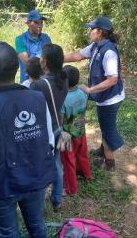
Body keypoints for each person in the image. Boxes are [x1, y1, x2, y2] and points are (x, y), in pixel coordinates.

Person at [0, 41, 56, 237]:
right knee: (38, 227)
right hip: (35, 177)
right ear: (17, 69)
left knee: (8, 233)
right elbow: (49, 142)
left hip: (3, 184)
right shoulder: (37, 97)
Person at [64, 16, 125, 172]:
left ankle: (109, 162)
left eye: (92, 29)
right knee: (105, 124)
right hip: (103, 95)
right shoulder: (95, 46)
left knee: (107, 128)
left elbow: (112, 80)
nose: (90, 31)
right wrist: (58, 59)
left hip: (110, 98)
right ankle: (102, 150)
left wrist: (90, 90)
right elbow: (77, 56)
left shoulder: (109, 52)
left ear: (101, 32)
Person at [30, 44, 68, 212]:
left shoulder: (39, 85)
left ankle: (37, 204)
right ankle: (57, 199)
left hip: (45, 132)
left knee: (39, 167)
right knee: (56, 164)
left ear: (44, 61)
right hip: (59, 126)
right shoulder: (65, 77)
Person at [61, 65, 92, 196]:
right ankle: (87, 174)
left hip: (68, 136)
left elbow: (61, 119)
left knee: (68, 162)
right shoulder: (83, 92)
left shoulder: (63, 98)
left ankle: (70, 189)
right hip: (81, 131)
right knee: (82, 154)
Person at [15, 9, 52, 83]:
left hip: (45, 80)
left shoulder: (46, 38)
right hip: (28, 80)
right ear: (28, 23)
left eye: (41, 23)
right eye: (36, 23)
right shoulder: (20, 40)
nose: (40, 26)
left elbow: (50, 58)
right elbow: (27, 63)